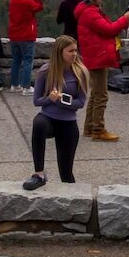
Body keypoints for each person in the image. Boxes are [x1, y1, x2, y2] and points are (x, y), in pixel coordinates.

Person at [24, 34, 88, 189]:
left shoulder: (80, 71)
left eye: (75, 50)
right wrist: (50, 100)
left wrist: (61, 100)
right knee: (38, 123)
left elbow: (80, 102)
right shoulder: (46, 71)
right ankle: (39, 174)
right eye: (70, 51)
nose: (74, 54)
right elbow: (36, 101)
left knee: (66, 173)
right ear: (60, 52)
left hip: (68, 122)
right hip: (49, 118)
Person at [74, 0, 129, 141]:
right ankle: (98, 129)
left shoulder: (87, 12)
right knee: (101, 95)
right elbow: (109, 29)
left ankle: (89, 127)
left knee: (96, 94)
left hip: (94, 55)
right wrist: (124, 20)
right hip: (97, 57)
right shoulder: (90, 13)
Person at [8, 0, 44, 95]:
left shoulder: (12, 1)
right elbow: (39, 6)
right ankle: (26, 87)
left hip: (14, 35)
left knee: (16, 61)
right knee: (28, 61)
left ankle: (14, 85)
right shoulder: (29, 3)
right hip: (26, 35)